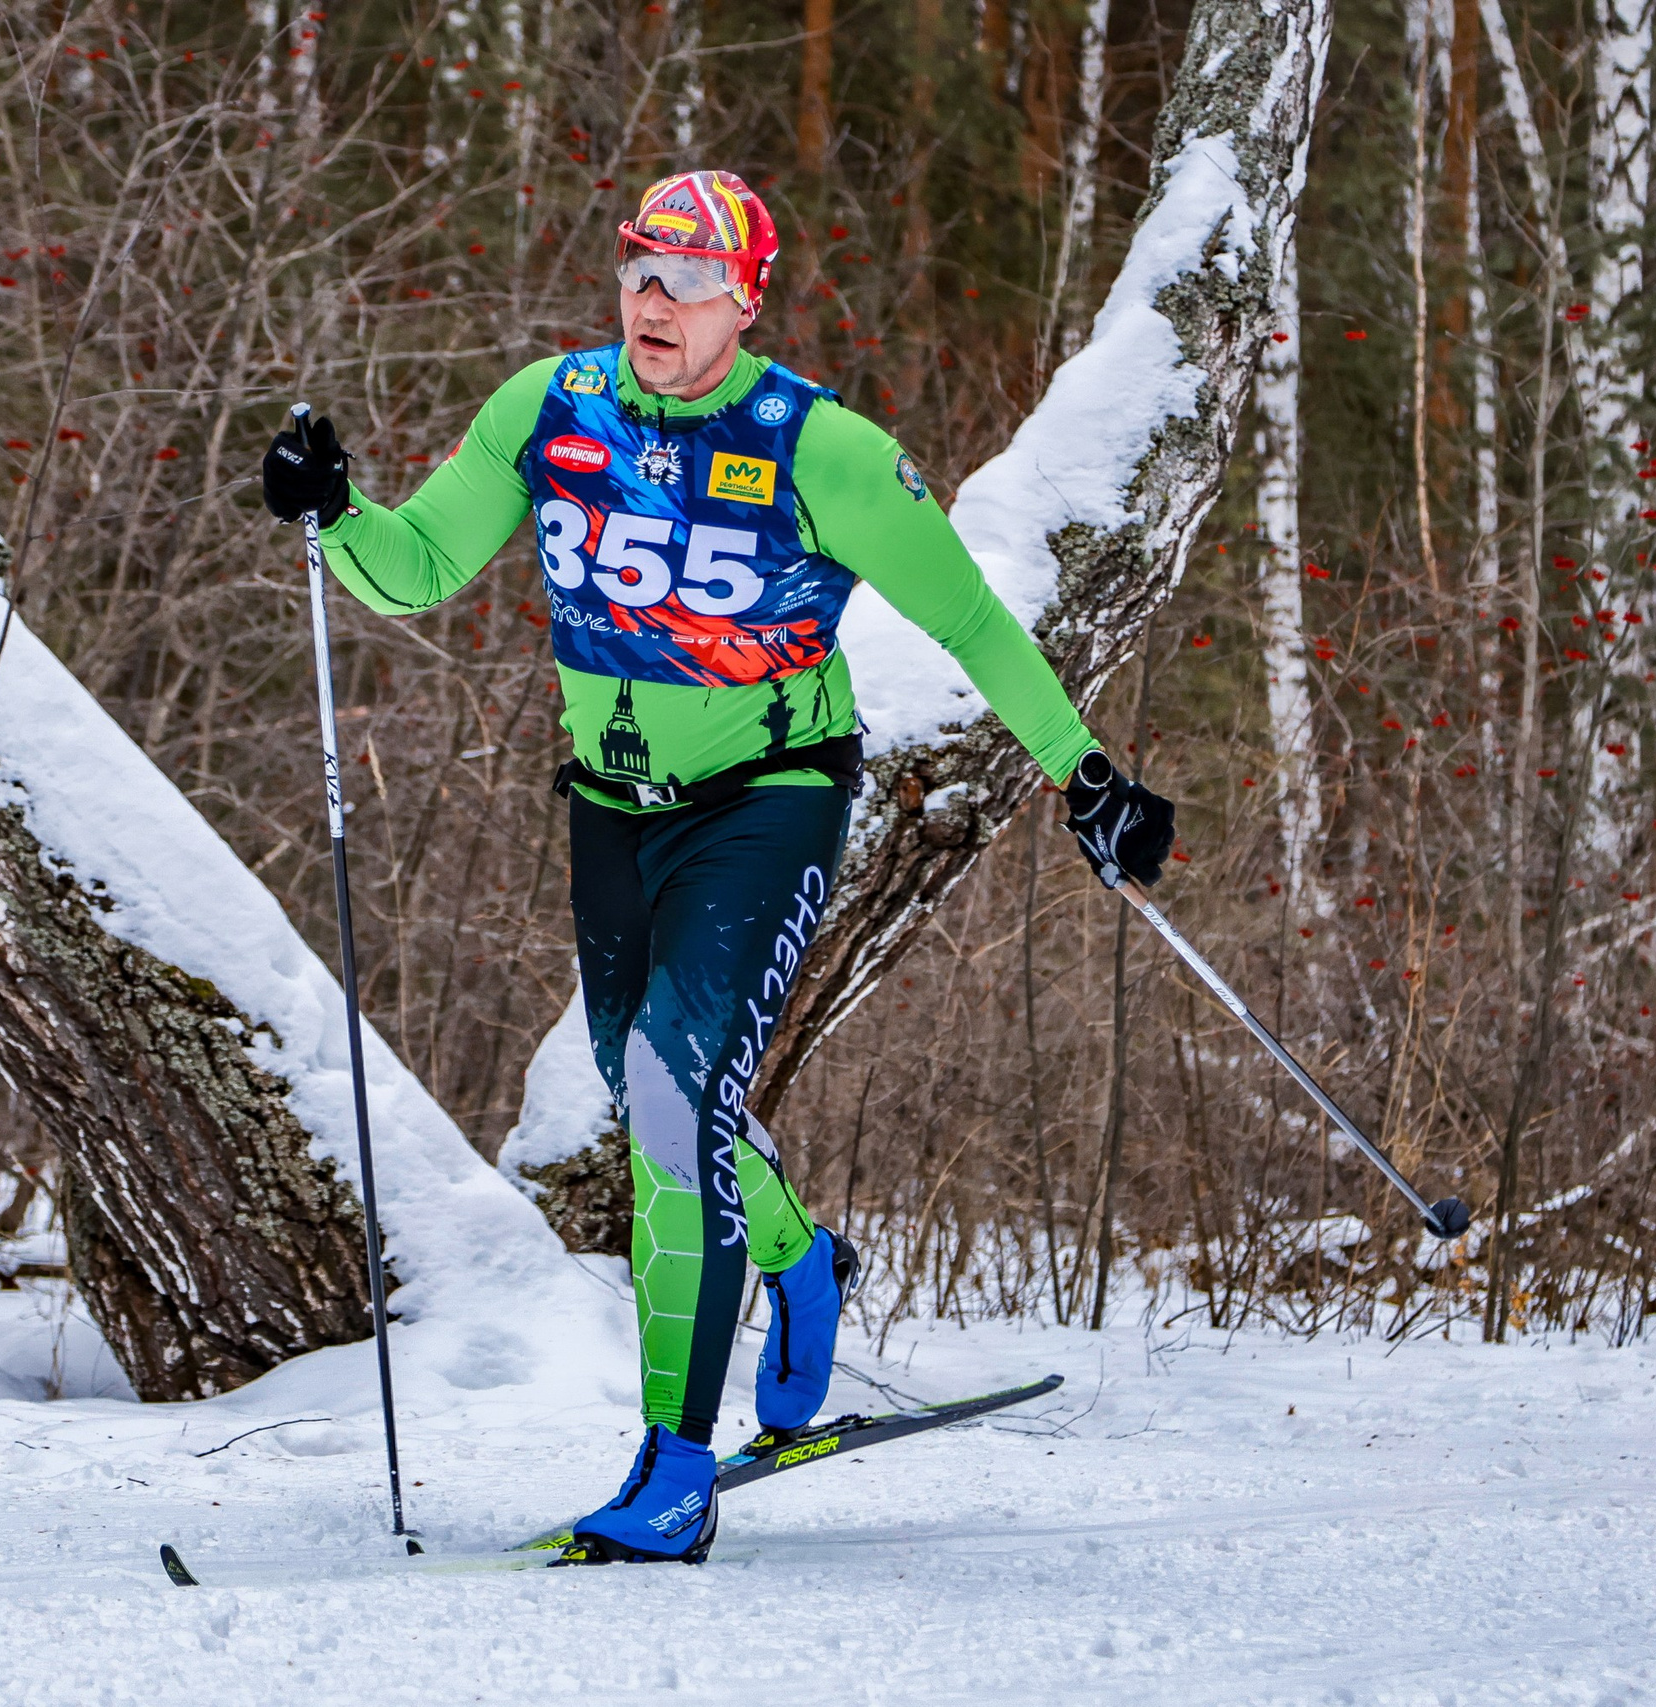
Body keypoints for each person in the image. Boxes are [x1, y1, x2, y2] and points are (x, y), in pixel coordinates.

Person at [261, 169, 1173, 1564]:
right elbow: (417, 569)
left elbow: (974, 622)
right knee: (658, 1094)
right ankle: (806, 1266)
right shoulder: (548, 409)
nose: (654, 303)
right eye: (639, 271)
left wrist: (1086, 774)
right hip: (611, 805)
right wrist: (335, 512)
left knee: (676, 1097)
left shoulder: (822, 451)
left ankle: (672, 1467)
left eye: (688, 282)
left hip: (769, 795)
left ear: (746, 298)